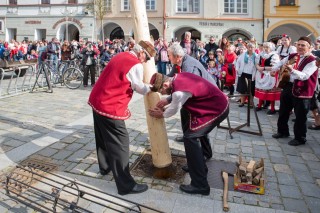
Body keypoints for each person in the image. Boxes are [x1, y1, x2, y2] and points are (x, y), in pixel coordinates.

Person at [88, 40, 156, 195]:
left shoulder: (122, 55)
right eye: (146, 58)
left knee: (103, 136)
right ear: (141, 53)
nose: (145, 62)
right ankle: (126, 185)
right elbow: (138, 87)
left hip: (98, 99)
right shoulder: (135, 64)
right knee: (121, 142)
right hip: (110, 104)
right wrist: (152, 87)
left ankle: (105, 167)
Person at [149, 72, 229, 195]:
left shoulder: (178, 92)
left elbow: (174, 107)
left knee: (190, 138)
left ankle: (200, 185)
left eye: (162, 92)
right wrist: (167, 100)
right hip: (211, 104)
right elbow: (183, 94)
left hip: (216, 109)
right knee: (190, 129)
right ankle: (199, 167)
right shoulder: (177, 77)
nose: (163, 95)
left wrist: (162, 114)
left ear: (165, 84)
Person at [164, 43, 217, 163]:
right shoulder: (179, 62)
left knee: (198, 125)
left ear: (177, 56)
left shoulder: (189, 66)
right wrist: (159, 80)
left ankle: (204, 154)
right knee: (185, 112)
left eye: (169, 55)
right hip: (196, 95)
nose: (168, 57)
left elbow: (187, 91)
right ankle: (187, 136)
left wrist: (167, 100)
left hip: (207, 97)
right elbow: (170, 76)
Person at [271, 36, 318, 146]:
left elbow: (305, 76)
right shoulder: (293, 55)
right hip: (288, 86)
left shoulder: (313, 61)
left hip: (303, 91)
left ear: (309, 47)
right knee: (283, 111)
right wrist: (273, 69)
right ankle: (282, 132)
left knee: (300, 116)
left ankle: (300, 138)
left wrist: (292, 70)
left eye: (303, 45)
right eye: (299, 45)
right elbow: (281, 62)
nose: (300, 47)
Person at [255, 42, 281, 114]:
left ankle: (272, 108)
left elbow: (275, 67)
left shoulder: (274, 55)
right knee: (261, 90)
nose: (265, 49)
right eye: (264, 47)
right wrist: (258, 68)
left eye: (267, 47)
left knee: (271, 92)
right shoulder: (261, 54)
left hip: (270, 75)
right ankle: (260, 105)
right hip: (261, 74)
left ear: (271, 48)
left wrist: (263, 68)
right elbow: (257, 63)